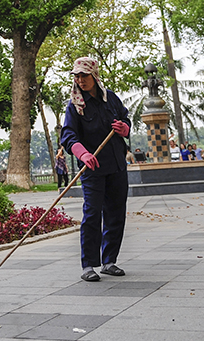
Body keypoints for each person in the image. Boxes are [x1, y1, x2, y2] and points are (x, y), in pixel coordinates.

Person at [60, 57, 131, 282]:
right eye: (77, 76)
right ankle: (88, 264)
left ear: (94, 76)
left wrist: (124, 128)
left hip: (117, 165)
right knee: (92, 214)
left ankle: (109, 261)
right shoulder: (75, 105)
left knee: (116, 212)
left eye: (84, 75)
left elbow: (126, 120)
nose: (80, 80)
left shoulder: (111, 99)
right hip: (92, 167)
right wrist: (83, 153)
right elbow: (68, 135)